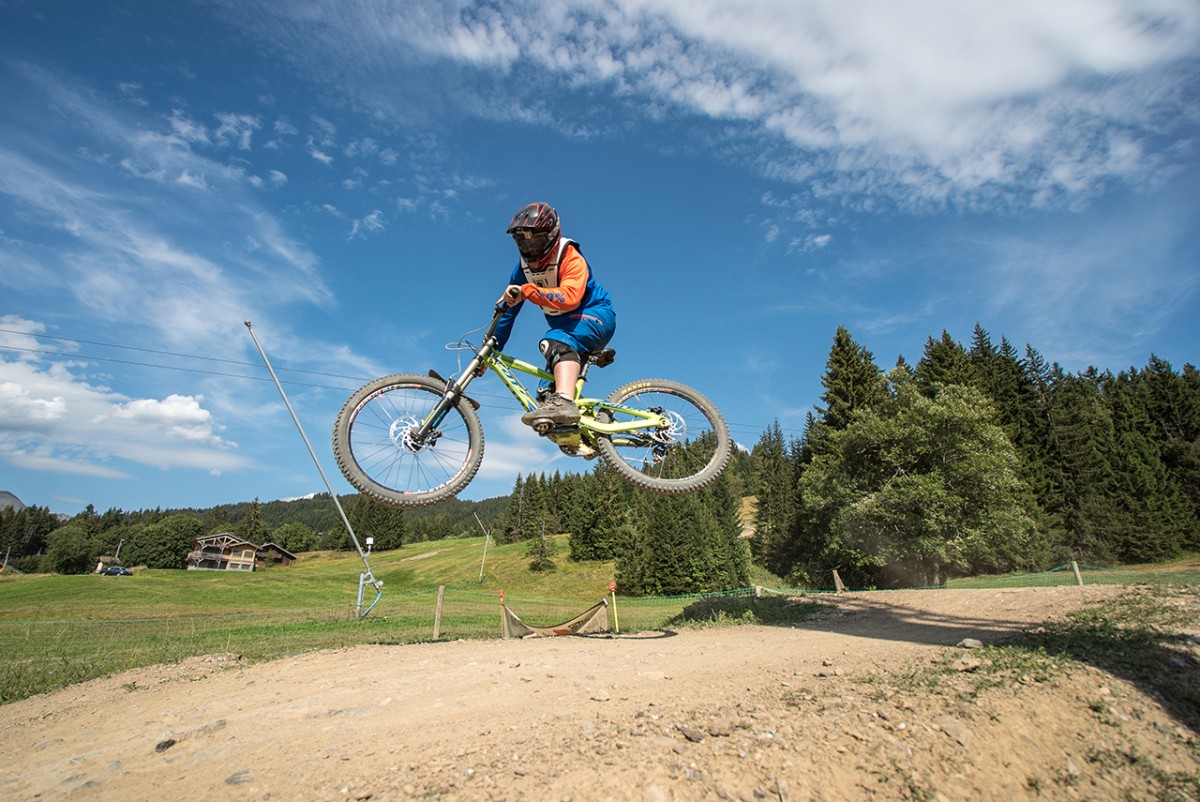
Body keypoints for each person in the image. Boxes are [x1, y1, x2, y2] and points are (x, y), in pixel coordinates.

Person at [492, 202, 616, 427]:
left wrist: (527, 291)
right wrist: (493, 346)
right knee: (546, 395)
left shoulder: (570, 256)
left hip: (596, 317)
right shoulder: (522, 271)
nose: (531, 250)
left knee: (553, 343)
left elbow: (570, 297)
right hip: (567, 328)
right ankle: (581, 436)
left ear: (550, 235)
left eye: (535, 241)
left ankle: (565, 402)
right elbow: (508, 314)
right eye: (522, 242)